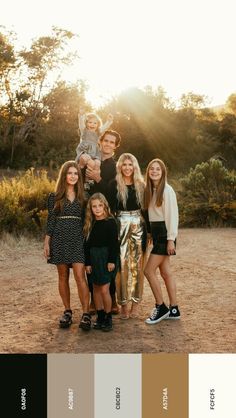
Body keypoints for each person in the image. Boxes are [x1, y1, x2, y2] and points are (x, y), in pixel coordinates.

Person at [43, 161, 91, 331]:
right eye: (69, 173)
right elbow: (51, 220)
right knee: (63, 276)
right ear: (64, 176)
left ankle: (86, 314)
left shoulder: (83, 196)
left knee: (80, 276)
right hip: (59, 238)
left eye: (75, 173)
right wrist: (47, 241)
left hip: (78, 238)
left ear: (79, 176)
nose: (72, 176)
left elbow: (88, 220)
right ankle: (67, 311)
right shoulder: (54, 196)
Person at [84, 129, 122, 315]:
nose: (107, 144)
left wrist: (98, 178)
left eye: (111, 142)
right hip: (89, 214)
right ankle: (93, 299)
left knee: (108, 257)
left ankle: (112, 299)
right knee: (91, 253)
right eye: (105, 140)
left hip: (106, 216)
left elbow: (112, 194)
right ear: (100, 142)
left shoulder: (115, 167)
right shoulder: (92, 159)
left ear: (115, 146)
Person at [108, 153, 146, 319]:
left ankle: (135, 304)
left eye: (130, 165)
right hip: (120, 223)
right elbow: (109, 209)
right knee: (121, 266)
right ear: (120, 167)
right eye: (124, 165)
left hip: (138, 223)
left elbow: (146, 210)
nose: (128, 168)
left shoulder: (141, 185)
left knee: (137, 266)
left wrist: (149, 231)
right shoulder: (114, 184)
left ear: (135, 166)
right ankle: (123, 304)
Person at [143, 158, 180, 324]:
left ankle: (161, 306)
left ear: (163, 172)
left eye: (158, 169)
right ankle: (174, 309)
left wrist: (171, 239)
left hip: (165, 236)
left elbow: (172, 215)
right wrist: (150, 232)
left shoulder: (167, 190)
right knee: (165, 272)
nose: (155, 171)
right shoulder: (151, 189)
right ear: (148, 172)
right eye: (152, 169)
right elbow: (152, 215)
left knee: (148, 271)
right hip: (158, 234)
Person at [84, 193, 119, 332]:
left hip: (106, 258)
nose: (97, 209)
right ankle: (100, 316)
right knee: (95, 289)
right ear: (90, 208)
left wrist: (111, 260)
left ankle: (108, 317)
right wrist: (87, 263)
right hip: (93, 258)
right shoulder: (89, 224)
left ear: (105, 206)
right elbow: (86, 246)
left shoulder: (111, 222)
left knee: (105, 289)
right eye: (94, 206)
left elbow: (114, 244)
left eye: (100, 205)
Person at [75, 108, 113, 190]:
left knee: (97, 163)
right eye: (90, 122)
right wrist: (81, 115)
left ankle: (91, 180)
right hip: (85, 151)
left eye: (95, 123)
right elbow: (81, 123)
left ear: (98, 124)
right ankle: (85, 181)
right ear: (86, 123)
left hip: (95, 152)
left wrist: (109, 121)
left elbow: (105, 127)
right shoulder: (84, 130)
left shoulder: (98, 132)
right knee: (91, 163)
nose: (92, 124)